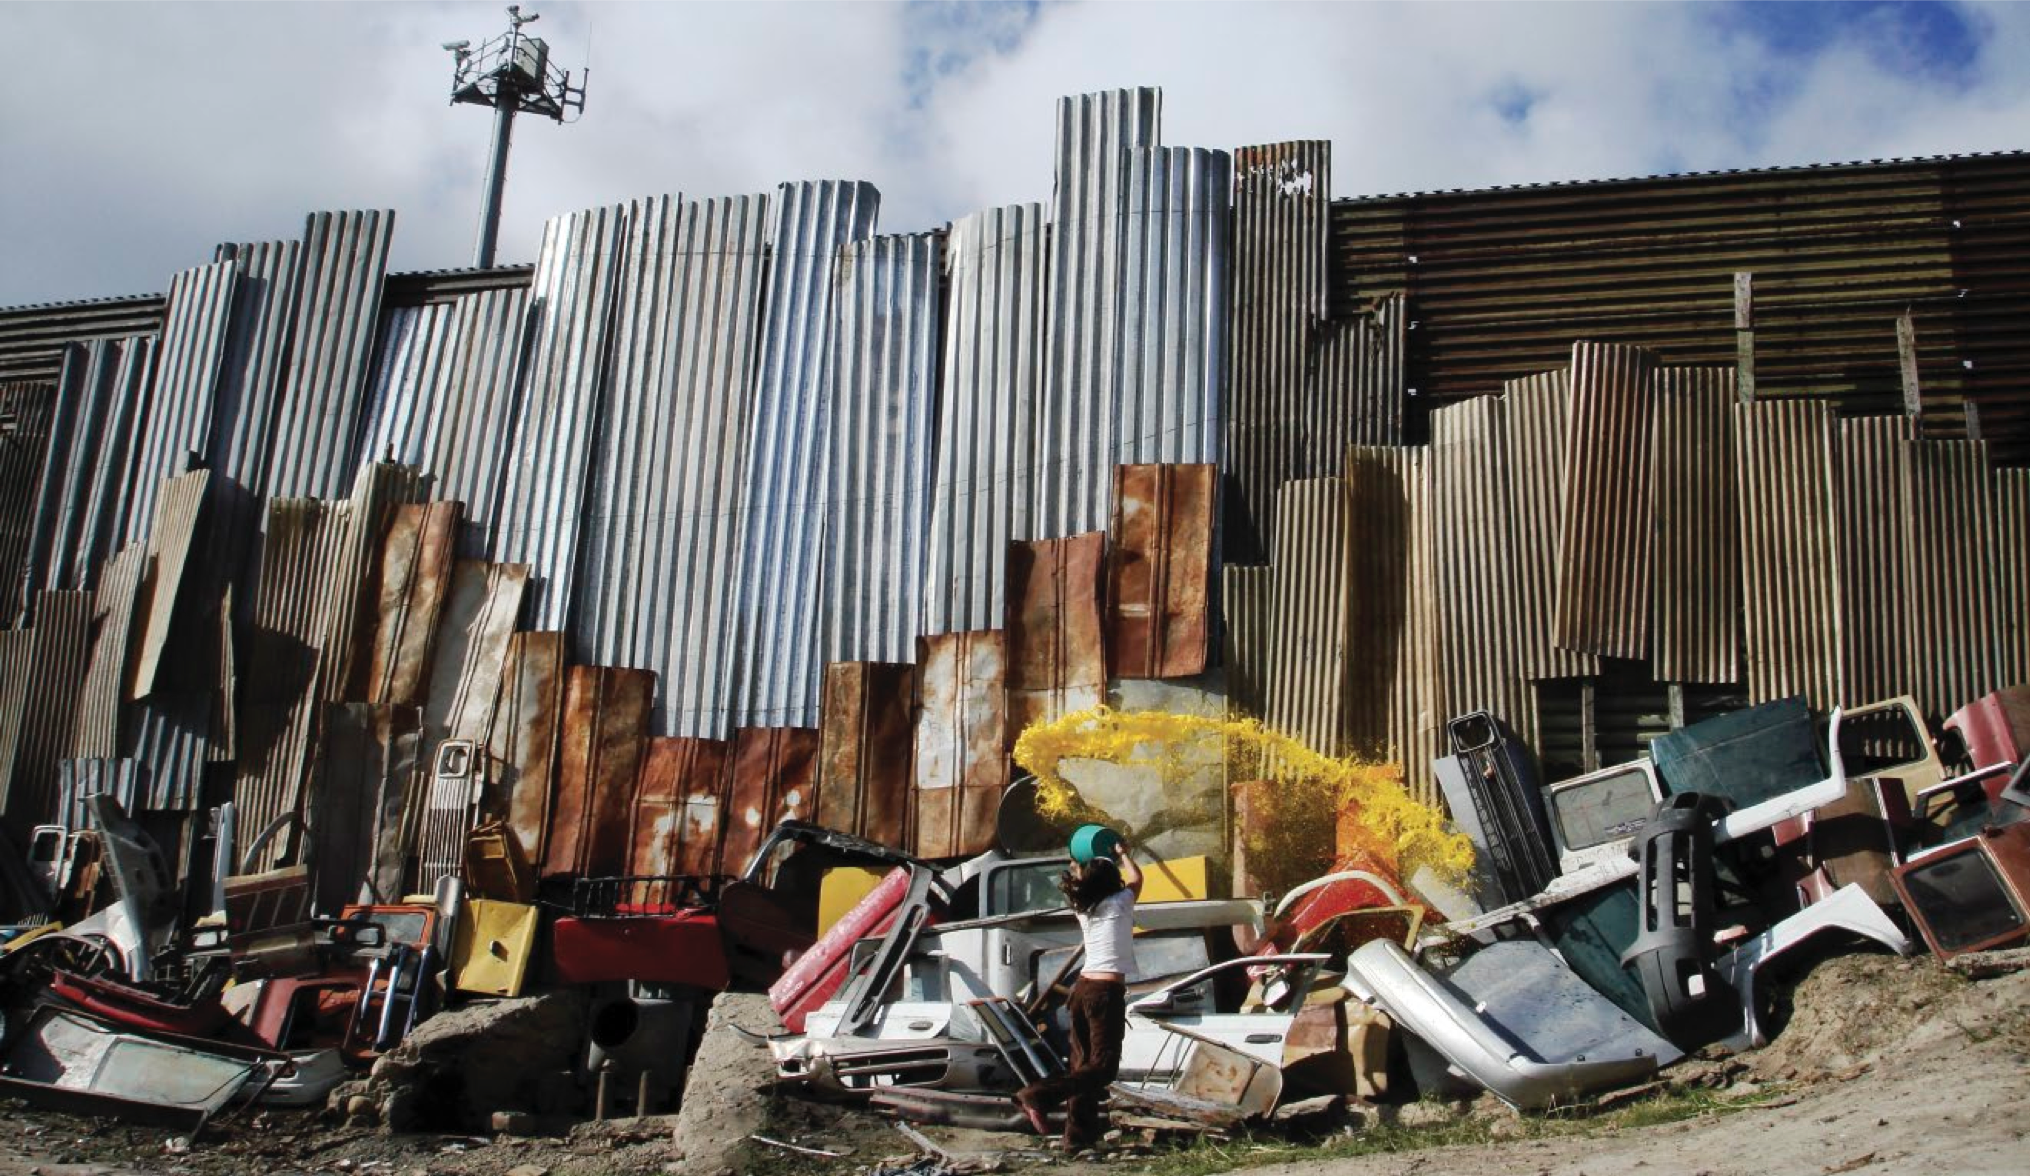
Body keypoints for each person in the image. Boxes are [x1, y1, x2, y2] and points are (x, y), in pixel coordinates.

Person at [1014, 836, 1142, 1151]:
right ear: (1114, 882)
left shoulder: (1083, 906)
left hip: (1082, 990)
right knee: (1103, 1068)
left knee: (1082, 1067)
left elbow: (1081, 875)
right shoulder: (1121, 903)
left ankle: (1077, 1138)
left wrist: (1077, 858)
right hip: (1104, 993)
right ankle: (1037, 1095)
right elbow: (1138, 877)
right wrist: (1124, 853)